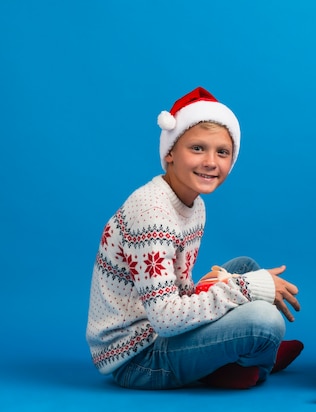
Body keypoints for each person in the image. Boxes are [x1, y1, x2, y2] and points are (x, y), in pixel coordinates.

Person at [86, 86, 303, 390]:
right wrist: (247, 288)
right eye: (197, 148)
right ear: (171, 152)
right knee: (266, 322)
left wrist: (241, 282)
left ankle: (238, 355)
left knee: (245, 265)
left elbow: (178, 286)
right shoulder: (151, 213)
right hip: (138, 356)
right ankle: (253, 358)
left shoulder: (193, 202)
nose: (211, 162)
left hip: (163, 328)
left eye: (222, 152)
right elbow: (164, 317)